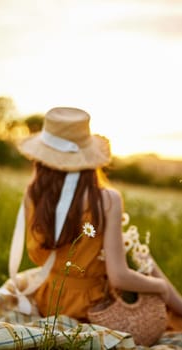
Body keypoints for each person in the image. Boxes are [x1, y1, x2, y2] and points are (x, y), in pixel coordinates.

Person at [16, 106, 182, 328]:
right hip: (88, 307)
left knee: (135, 250)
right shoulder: (108, 199)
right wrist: (159, 286)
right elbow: (119, 277)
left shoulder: (33, 192)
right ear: (87, 157)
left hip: (49, 298)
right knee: (143, 259)